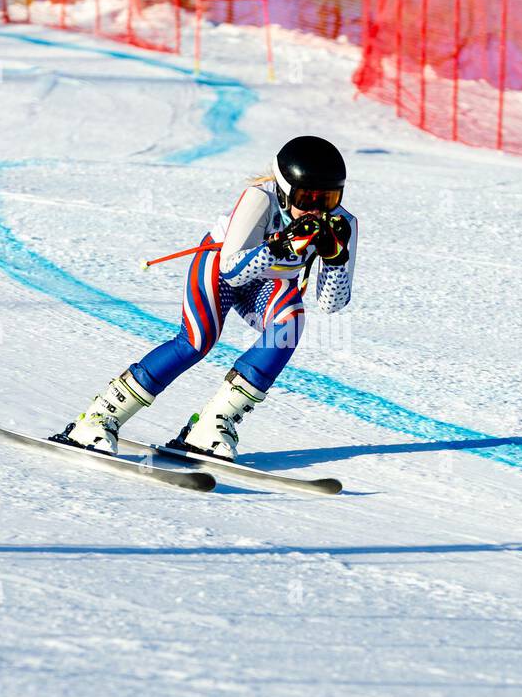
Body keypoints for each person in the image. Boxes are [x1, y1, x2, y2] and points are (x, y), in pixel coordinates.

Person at [53, 135, 358, 461]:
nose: (315, 209)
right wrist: (280, 247)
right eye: (305, 197)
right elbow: (232, 272)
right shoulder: (260, 199)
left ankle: (211, 425)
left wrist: (336, 257)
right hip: (220, 265)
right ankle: (99, 417)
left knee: (290, 324)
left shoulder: (343, 223)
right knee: (197, 340)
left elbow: (331, 303)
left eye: (327, 199)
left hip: (269, 283)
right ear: (284, 192)